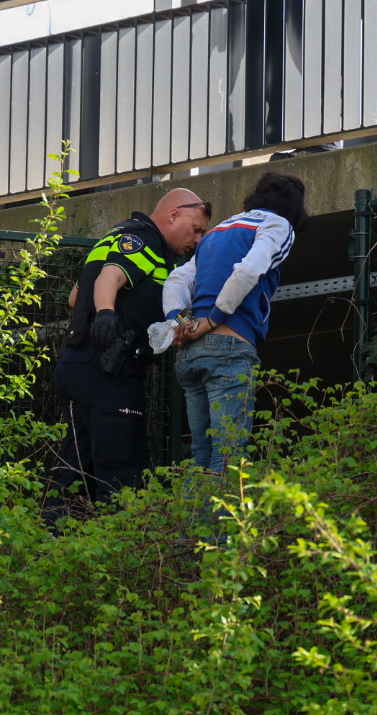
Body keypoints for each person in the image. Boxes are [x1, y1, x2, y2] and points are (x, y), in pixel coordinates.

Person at [47, 188, 210, 517]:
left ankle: (56, 546)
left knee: (76, 468)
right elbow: (110, 276)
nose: (198, 239)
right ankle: (118, 551)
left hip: (76, 364)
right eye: (196, 229)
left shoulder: (113, 236)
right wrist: (108, 315)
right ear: (174, 214)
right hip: (110, 369)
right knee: (120, 470)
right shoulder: (147, 241)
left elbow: (76, 298)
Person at [162, 171, 307, 474]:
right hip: (229, 347)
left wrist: (180, 324)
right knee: (230, 452)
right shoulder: (278, 224)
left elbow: (176, 279)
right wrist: (213, 320)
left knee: (201, 454)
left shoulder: (216, 231)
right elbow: (248, 270)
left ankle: (191, 521)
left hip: (190, 353)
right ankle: (225, 523)